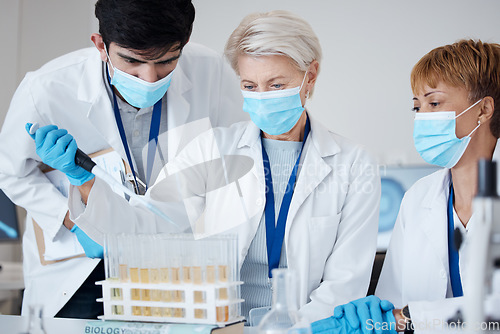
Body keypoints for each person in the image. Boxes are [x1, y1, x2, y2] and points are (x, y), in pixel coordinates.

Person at [29, 10, 381, 323]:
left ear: (311, 75)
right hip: (219, 326)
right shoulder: (213, 148)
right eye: (249, 85)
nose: (262, 96)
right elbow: (148, 224)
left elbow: (345, 281)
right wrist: (83, 179)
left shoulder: (353, 163)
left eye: (277, 85)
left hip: (307, 327)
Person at [0, 0, 245, 319]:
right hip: (82, 268)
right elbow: (10, 172)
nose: (149, 78)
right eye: (132, 61)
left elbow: (236, 151)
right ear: (100, 45)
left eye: (166, 62)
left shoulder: (210, 70)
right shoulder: (47, 88)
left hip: (172, 255)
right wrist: (72, 220)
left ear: (183, 45)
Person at [311, 39, 500, 333]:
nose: (422, 117)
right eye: (417, 107)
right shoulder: (418, 198)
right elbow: (391, 301)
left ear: (484, 109)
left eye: (434, 103)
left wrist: (406, 319)